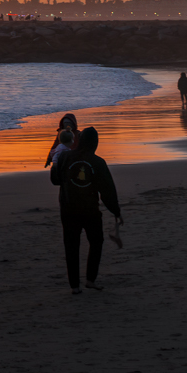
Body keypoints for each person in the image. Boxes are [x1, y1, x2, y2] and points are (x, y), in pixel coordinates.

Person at [50, 126, 122, 294]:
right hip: (90, 211)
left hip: (68, 210)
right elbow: (107, 191)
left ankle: (74, 286)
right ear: (95, 143)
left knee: (71, 246)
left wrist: (55, 165)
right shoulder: (97, 162)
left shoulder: (65, 156)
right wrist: (116, 211)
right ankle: (90, 280)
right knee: (96, 243)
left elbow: (55, 180)